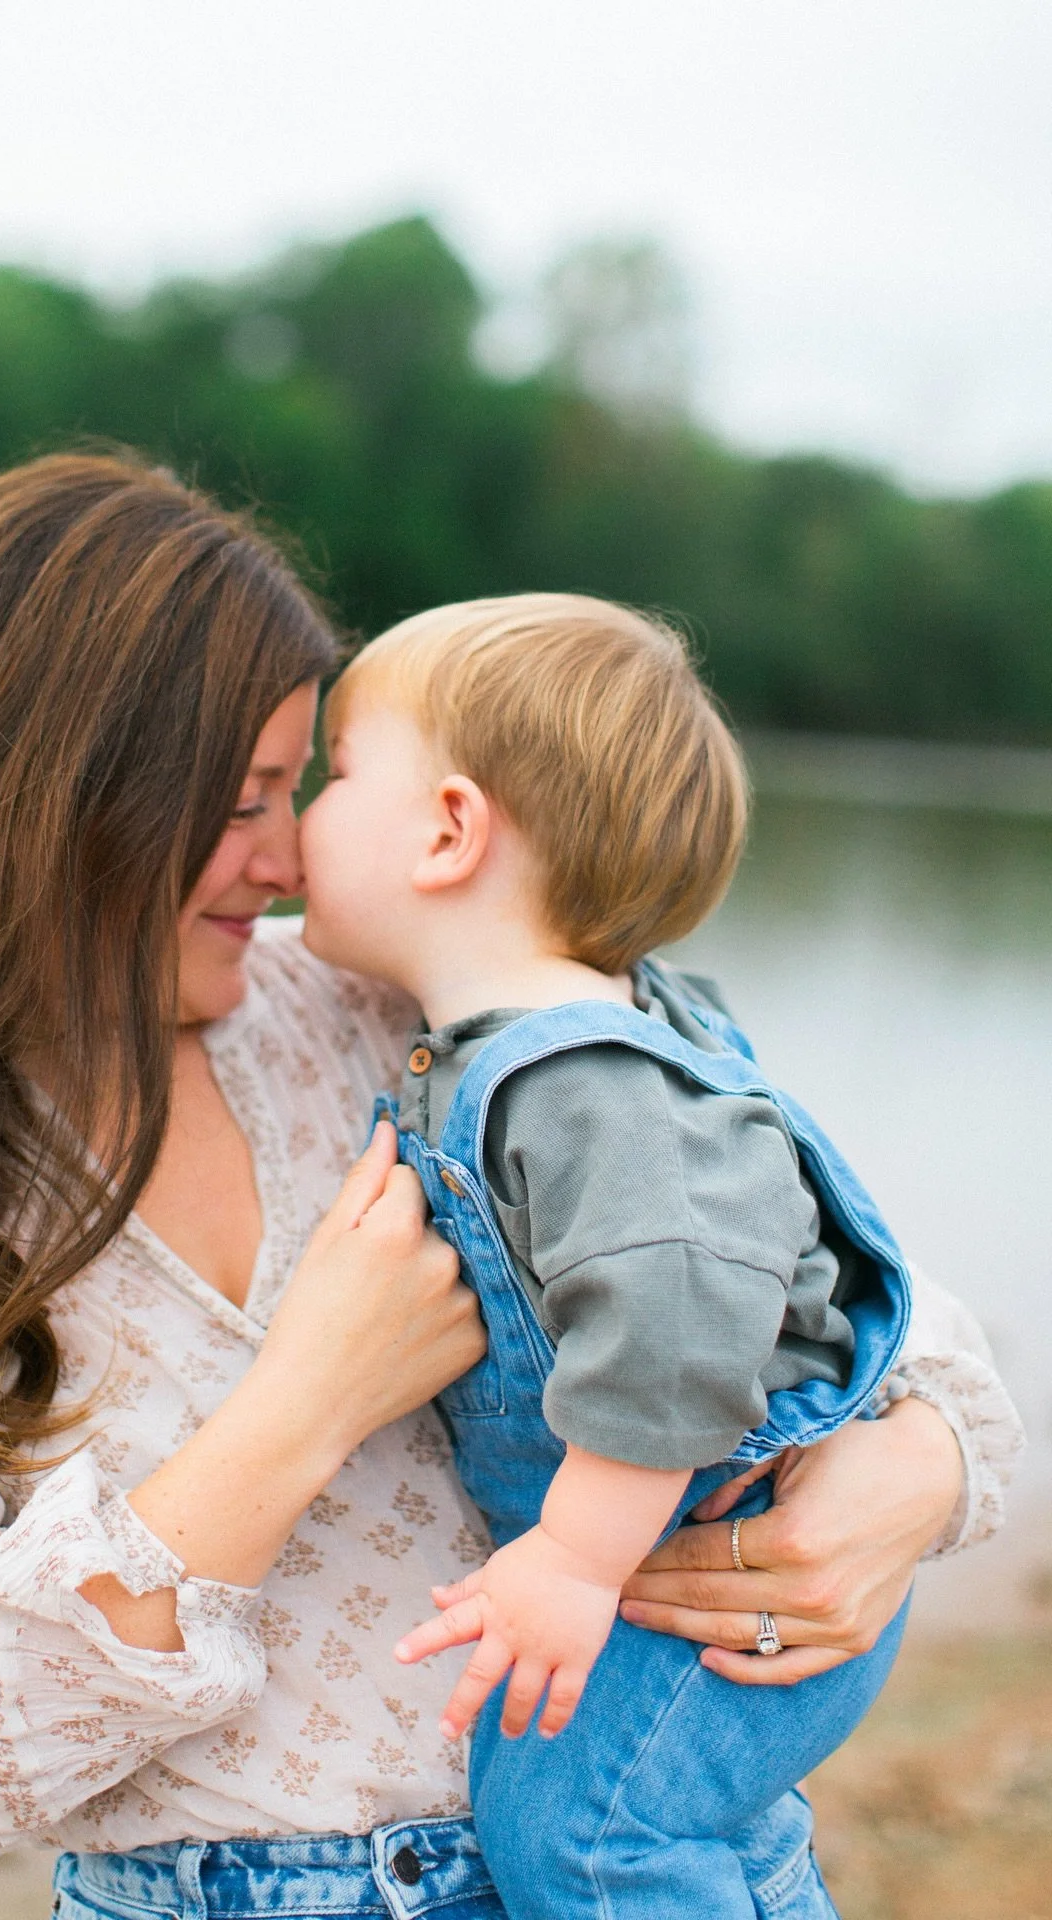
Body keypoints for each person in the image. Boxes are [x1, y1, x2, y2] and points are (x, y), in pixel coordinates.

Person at [0, 455, 1022, 1920]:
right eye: (245, 798)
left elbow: (854, 1295)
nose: (285, 858)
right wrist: (307, 1403)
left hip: (645, 1867)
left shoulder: (405, 1004)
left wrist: (913, 1478)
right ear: (50, 795)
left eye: (308, 786)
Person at [299, 592, 958, 1917]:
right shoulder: (547, 1039)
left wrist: (574, 1561)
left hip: (719, 1555)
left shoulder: (589, 1085)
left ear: (448, 831)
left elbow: (679, 1322)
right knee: (582, 1809)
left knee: (584, 1833)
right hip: (679, 1548)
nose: (301, 817)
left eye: (336, 774)